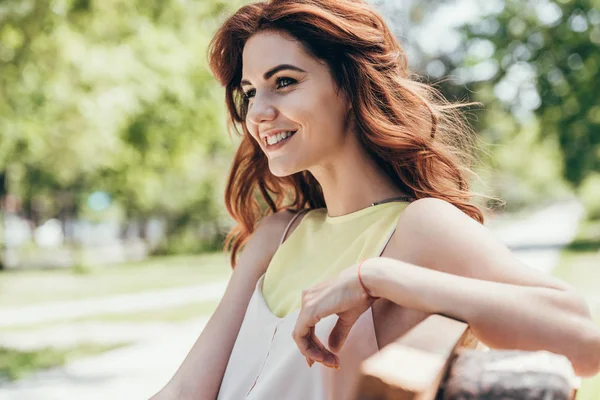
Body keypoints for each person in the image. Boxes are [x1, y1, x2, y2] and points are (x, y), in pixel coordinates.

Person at [151, 0, 600, 398]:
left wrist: (380, 277)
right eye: (250, 92)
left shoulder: (420, 227)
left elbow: (584, 342)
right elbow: (186, 389)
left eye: (283, 82)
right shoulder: (276, 236)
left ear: (348, 86)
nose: (259, 112)